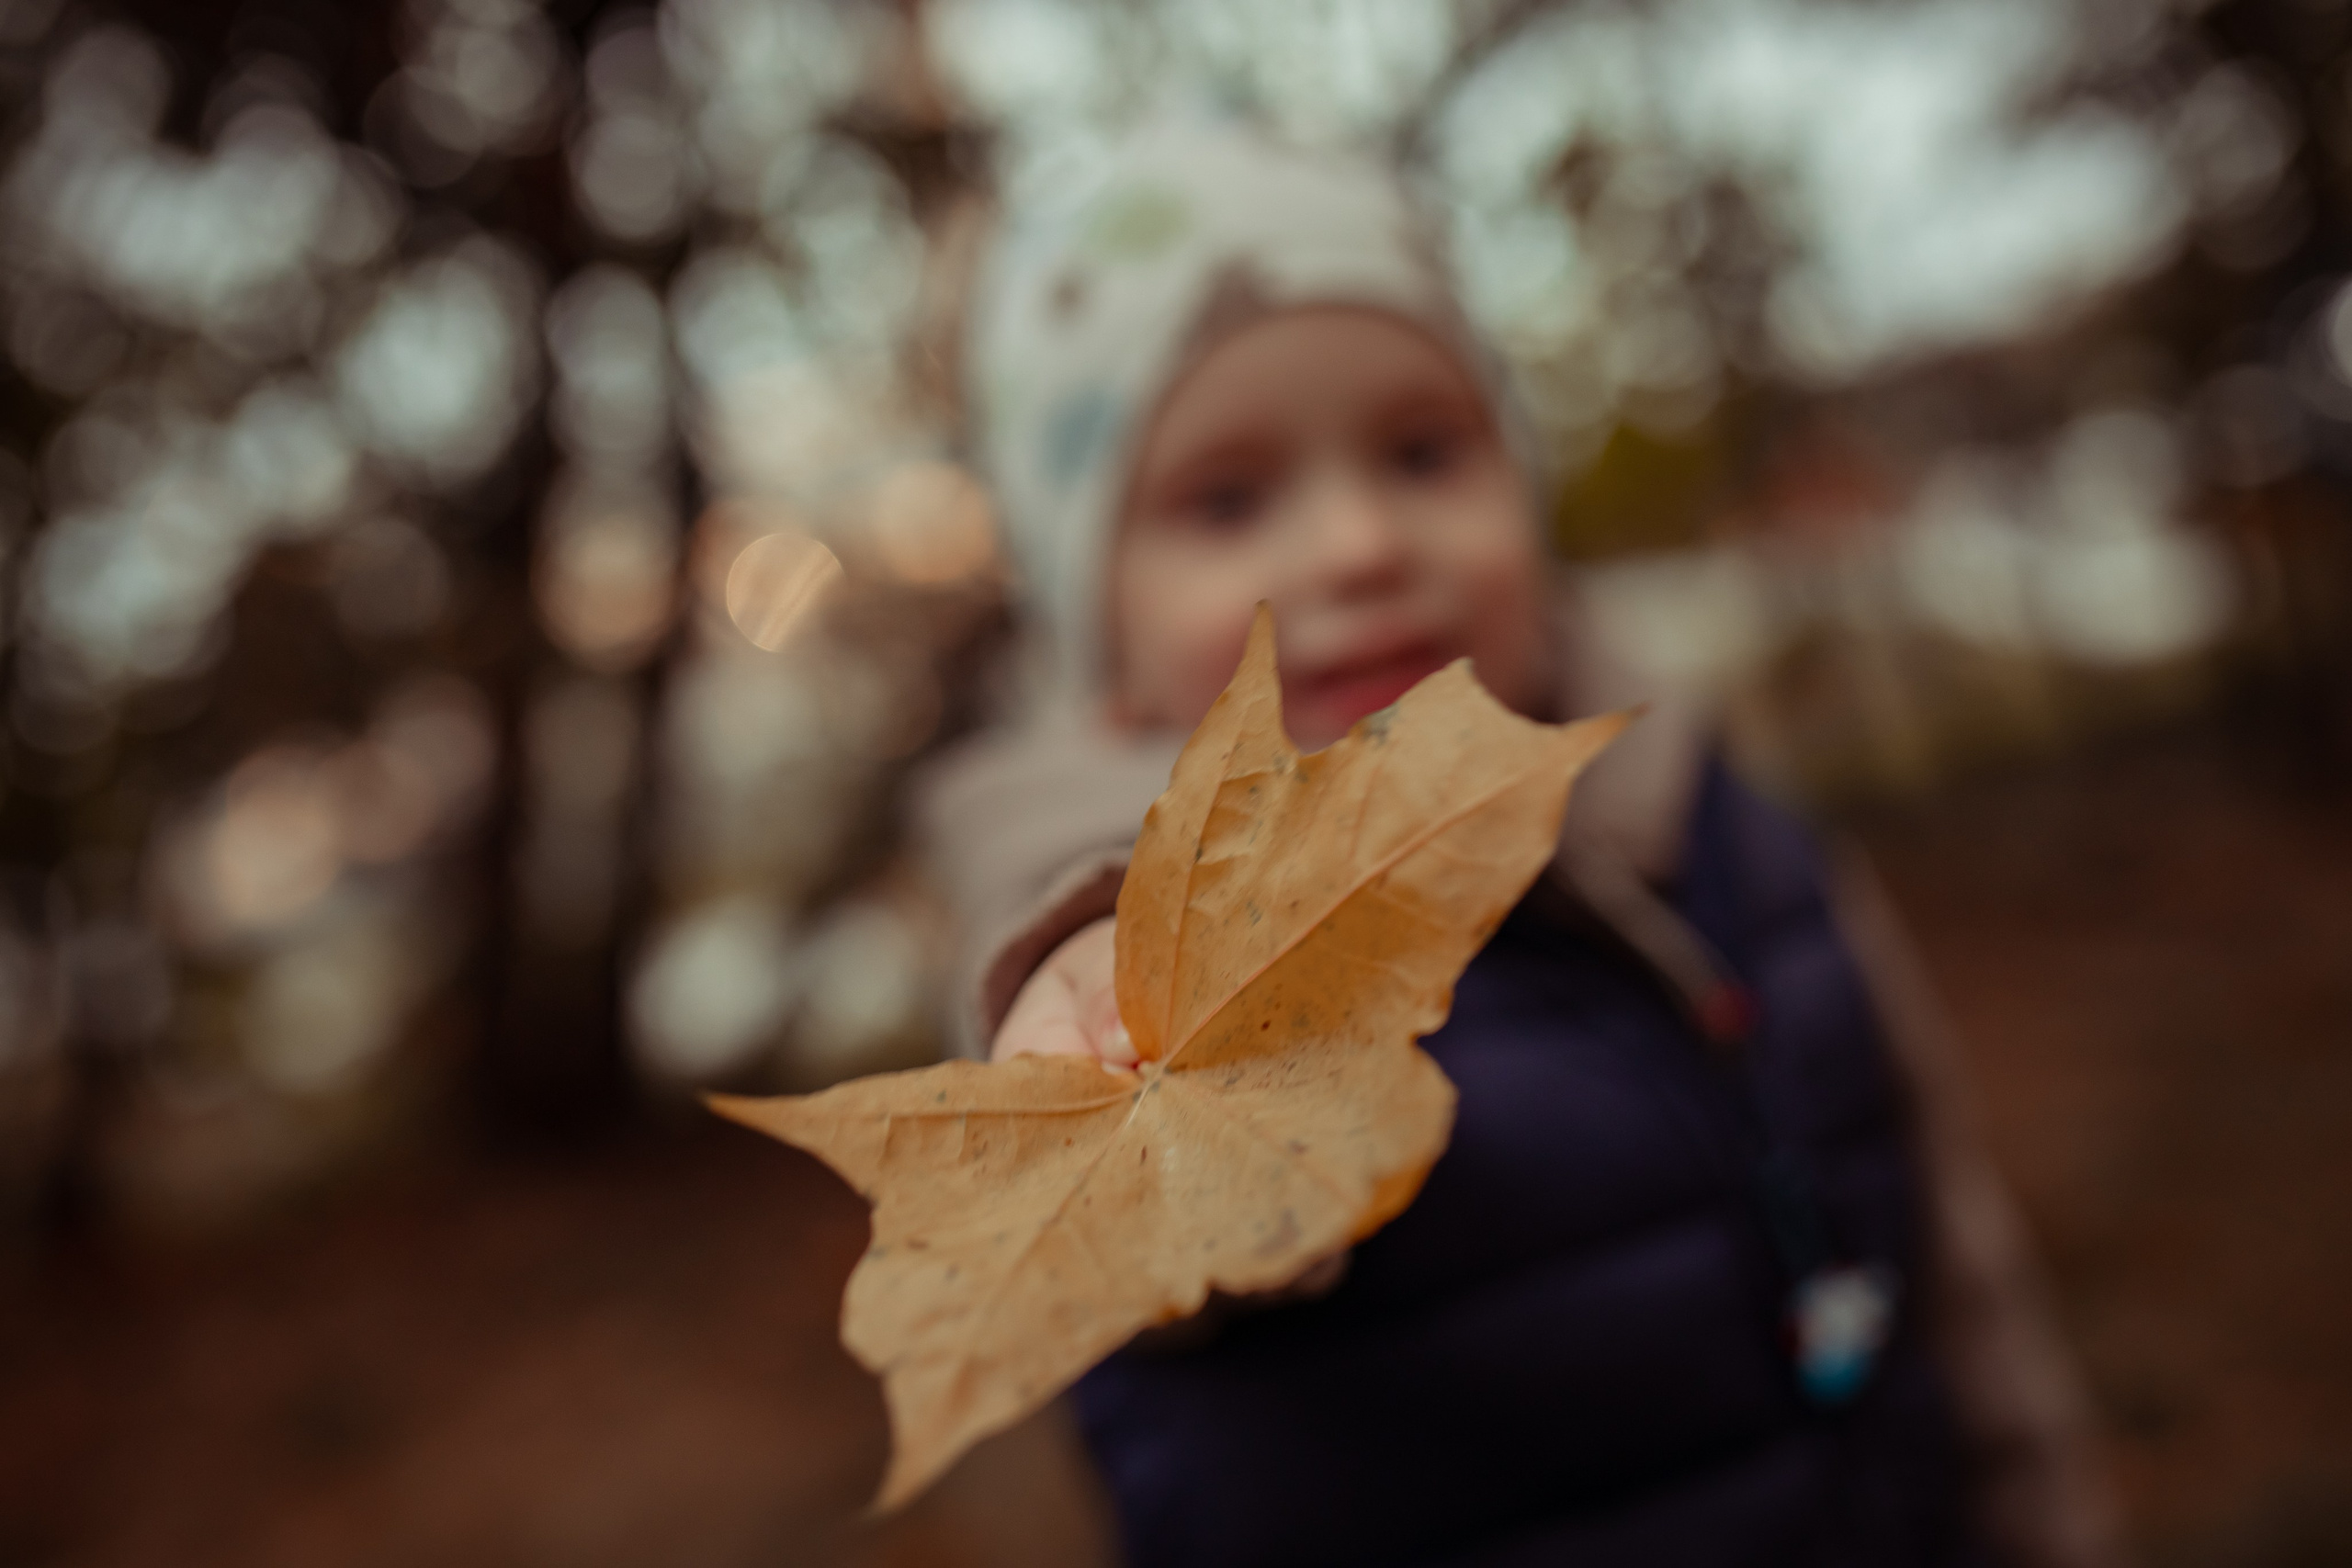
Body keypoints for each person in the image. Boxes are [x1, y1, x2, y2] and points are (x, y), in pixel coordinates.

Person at [915, 116, 2120, 1568]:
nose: (1362, 543)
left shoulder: (1718, 830)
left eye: (1423, 453)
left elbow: (1959, 1277)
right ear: (1095, 634)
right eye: (1228, 500)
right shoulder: (1128, 934)